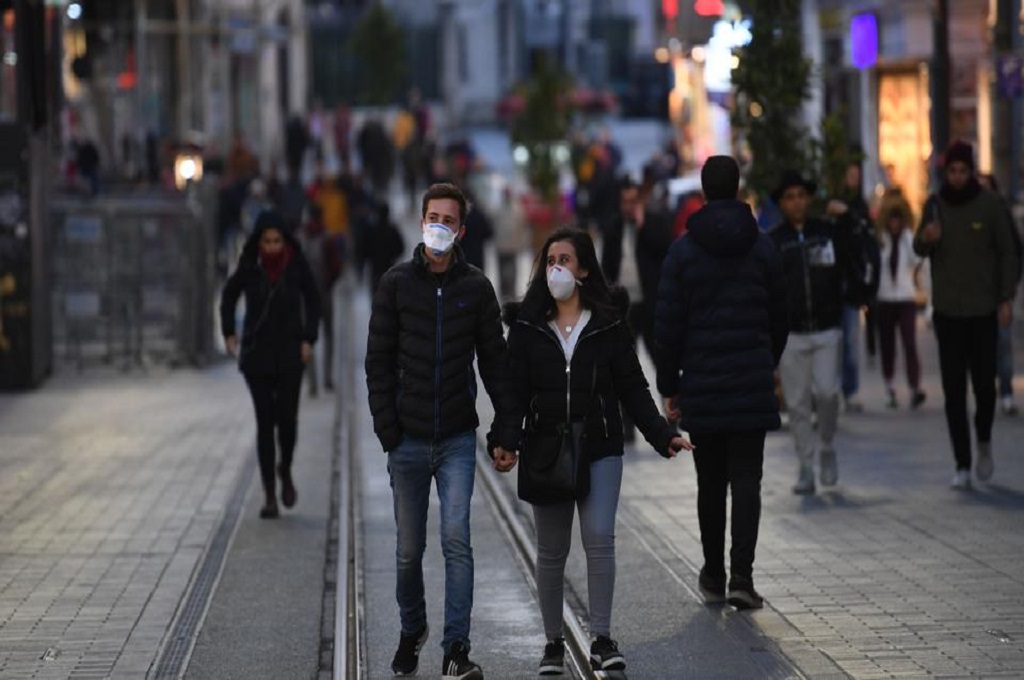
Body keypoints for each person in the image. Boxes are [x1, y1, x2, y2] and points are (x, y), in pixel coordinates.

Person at [504, 227, 689, 676]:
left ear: (584, 269)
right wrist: (504, 440)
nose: (556, 269)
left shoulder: (608, 324)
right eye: (550, 261)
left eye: (565, 260)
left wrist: (661, 433)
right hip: (546, 446)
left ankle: (602, 638)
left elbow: (633, 386)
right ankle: (552, 643)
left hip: (600, 444)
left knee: (599, 539)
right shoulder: (528, 325)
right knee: (551, 551)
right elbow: (512, 391)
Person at [365, 183, 519, 679]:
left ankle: (456, 649)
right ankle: (413, 630)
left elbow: (496, 364)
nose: (439, 226)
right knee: (409, 550)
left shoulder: (475, 288)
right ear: (420, 221)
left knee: (457, 538)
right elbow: (378, 362)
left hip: (455, 437)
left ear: (461, 230)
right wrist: (387, 428)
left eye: (448, 220)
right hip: (407, 438)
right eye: (432, 216)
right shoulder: (395, 284)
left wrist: (505, 431)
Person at [654, 156, 789, 611]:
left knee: (709, 481)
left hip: (704, 385)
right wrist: (767, 359)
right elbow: (781, 315)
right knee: (747, 478)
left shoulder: (684, 251)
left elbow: (668, 322)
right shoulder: (763, 246)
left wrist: (669, 382)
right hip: (750, 378)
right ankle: (742, 579)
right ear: (737, 188)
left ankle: (713, 573)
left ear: (704, 192)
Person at [914, 141, 1019, 488]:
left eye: (962, 171)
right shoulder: (935, 204)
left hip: (983, 309)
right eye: (952, 171)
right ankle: (962, 462)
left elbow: (1008, 251)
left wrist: (1006, 298)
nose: (957, 177)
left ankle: (984, 439)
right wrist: (928, 238)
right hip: (948, 312)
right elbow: (919, 245)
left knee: (984, 387)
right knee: (953, 390)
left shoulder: (989, 205)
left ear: (971, 171)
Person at [220, 210, 322, 518]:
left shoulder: (296, 264)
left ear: (285, 240)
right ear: (259, 241)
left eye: (277, 240)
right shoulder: (250, 265)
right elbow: (228, 295)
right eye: (267, 241)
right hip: (258, 355)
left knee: (287, 421)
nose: (272, 247)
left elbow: (314, 300)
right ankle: (268, 494)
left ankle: (285, 469)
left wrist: (309, 339)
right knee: (266, 423)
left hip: (291, 352)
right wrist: (229, 333)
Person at [769, 170, 858, 495]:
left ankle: (827, 445)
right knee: (797, 404)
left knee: (827, 393)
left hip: (826, 327)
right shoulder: (774, 241)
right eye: (790, 197)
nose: (797, 202)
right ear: (781, 202)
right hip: (792, 333)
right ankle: (806, 465)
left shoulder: (826, 232)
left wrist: (847, 218)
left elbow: (853, 255)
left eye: (801, 196)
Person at [826, 159, 880, 412]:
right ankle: (833, 389)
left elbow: (865, 242)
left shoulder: (857, 209)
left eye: (856, 175)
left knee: (849, 340)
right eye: (850, 174)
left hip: (850, 285)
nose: (853, 180)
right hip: (831, 284)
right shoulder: (830, 208)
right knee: (834, 341)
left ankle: (850, 389)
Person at [875, 191, 926, 410]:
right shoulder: (881, 240)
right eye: (891, 219)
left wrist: (908, 237)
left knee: (909, 343)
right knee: (887, 345)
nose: (895, 223)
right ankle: (890, 387)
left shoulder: (907, 237)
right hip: (885, 297)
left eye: (898, 219)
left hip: (905, 297)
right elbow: (876, 265)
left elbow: (917, 259)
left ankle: (914, 387)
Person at [977, 173, 1023, 416]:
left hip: (999, 294)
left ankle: (1005, 393)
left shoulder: (1003, 218)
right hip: (976, 296)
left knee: (1003, 346)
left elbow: (1015, 253)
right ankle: (987, 393)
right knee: (982, 350)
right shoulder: (970, 218)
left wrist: (1009, 290)